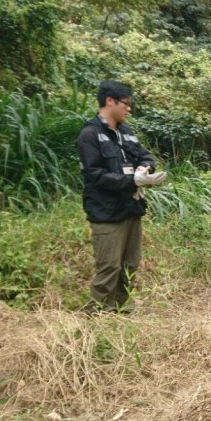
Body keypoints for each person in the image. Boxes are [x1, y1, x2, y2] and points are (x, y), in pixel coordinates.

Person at [77, 80, 167, 313]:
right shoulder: (90, 134)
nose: (129, 109)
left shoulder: (126, 133)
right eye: (126, 104)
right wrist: (131, 181)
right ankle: (95, 319)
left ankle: (122, 310)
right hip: (106, 213)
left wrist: (143, 170)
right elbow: (96, 175)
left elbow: (145, 156)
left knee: (129, 265)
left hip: (131, 208)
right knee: (109, 268)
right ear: (110, 101)